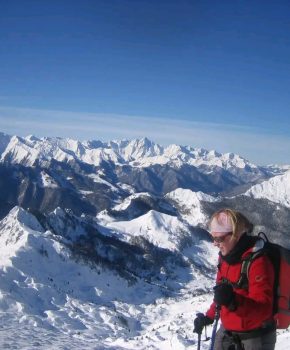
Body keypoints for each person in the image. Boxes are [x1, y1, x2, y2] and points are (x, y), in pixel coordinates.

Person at [194, 208, 276, 350]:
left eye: (219, 238)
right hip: (227, 332)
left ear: (236, 235)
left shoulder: (258, 261)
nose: (215, 243)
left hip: (254, 337)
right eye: (213, 238)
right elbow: (222, 295)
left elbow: (264, 309)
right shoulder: (225, 258)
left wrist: (233, 301)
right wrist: (209, 317)